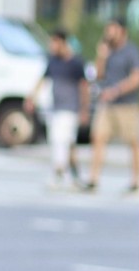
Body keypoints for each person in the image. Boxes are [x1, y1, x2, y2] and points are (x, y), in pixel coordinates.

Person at [82, 17, 139, 193]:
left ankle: (137, 181)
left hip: (127, 104)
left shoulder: (131, 51)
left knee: (134, 142)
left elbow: (138, 77)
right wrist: (101, 56)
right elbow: (99, 75)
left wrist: (117, 90)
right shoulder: (108, 51)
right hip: (107, 104)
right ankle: (93, 179)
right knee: (98, 137)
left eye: (112, 29)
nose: (108, 32)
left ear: (122, 31)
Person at [23, 29, 90, 189]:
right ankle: (75, 176)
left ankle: (58, 174)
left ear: (62, 42)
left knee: (60, 141)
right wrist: (32, 97)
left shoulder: (75, 63)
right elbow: (43, 80)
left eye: (54, 42)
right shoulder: (53, 62)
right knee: (69, 144)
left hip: (70, 108)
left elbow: (83, 87)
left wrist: (84, 109)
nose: (51, 46)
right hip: (56, 107)